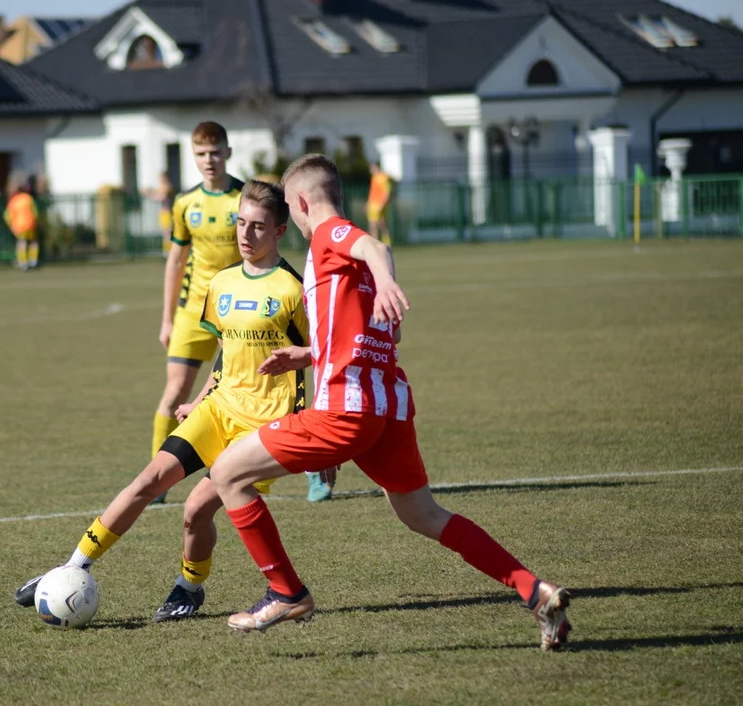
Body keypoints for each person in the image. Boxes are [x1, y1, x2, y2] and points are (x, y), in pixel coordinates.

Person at [207, 154, 572, 651]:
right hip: (386, 407)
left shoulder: (328, 234)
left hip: (347, 410)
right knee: (422, 514)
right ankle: (535, 591)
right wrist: (311, 354)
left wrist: (386, 280)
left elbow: (374, 245)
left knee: (227, 473)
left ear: (298, 203)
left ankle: (286, 591)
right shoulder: (341, 256)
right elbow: (353, 327)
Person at [14, 180, 313, 623]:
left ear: (280, 231)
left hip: (262, 424)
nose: (245, 235)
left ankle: (189, 588)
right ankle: (71, 566)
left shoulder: (293, 288)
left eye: (258, 227)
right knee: (149, 478)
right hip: (219, 409)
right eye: (241, 223)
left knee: (195, 510)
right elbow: (226, 353)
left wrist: (314, 426)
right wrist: (202, 399)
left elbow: (319, 357)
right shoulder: (223, 281)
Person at [150, 122, 244, 504]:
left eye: (216, 152)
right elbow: (175, 260)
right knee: (175, 392)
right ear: (194, 156)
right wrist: (167, 318)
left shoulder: (244, 198)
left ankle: (305, 471)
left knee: (245, 396)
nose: (210, 160)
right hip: (191, 311)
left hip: (235, 312)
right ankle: (157, 478)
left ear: (228, 152)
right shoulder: (185, 203)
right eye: (202, 154)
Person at [4, 181, 40, 271]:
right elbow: (35, 212)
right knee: (33, 242)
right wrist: (36, 222)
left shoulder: (13, 201)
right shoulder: (28, 198)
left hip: (19, 226)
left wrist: (12, 226)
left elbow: (7, 216)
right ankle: (33, 261)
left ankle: (23, 263)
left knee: (21, 243)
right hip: (30, 224)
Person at [144, 172, 175, 257]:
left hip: (167, 212)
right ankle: (167, 252)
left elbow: (160, 197)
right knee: (165, 233)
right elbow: (156, 194)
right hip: (163, 213)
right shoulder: (161, 187)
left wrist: (150, 194)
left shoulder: (168, 186)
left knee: (168, 233)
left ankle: (170, 252)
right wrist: (149, 192)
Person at [366, 161, 393, 245]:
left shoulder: (383, 178)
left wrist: (382, 205)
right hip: (373, 204)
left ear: (376, 167)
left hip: (378, 205)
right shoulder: (374, 178)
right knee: (375, 226)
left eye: (372, 168)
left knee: (380, 225)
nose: (371, 170)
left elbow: (387, 193)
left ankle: (385, 244)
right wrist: (368, 203)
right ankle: (377, 244)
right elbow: (373, 192)